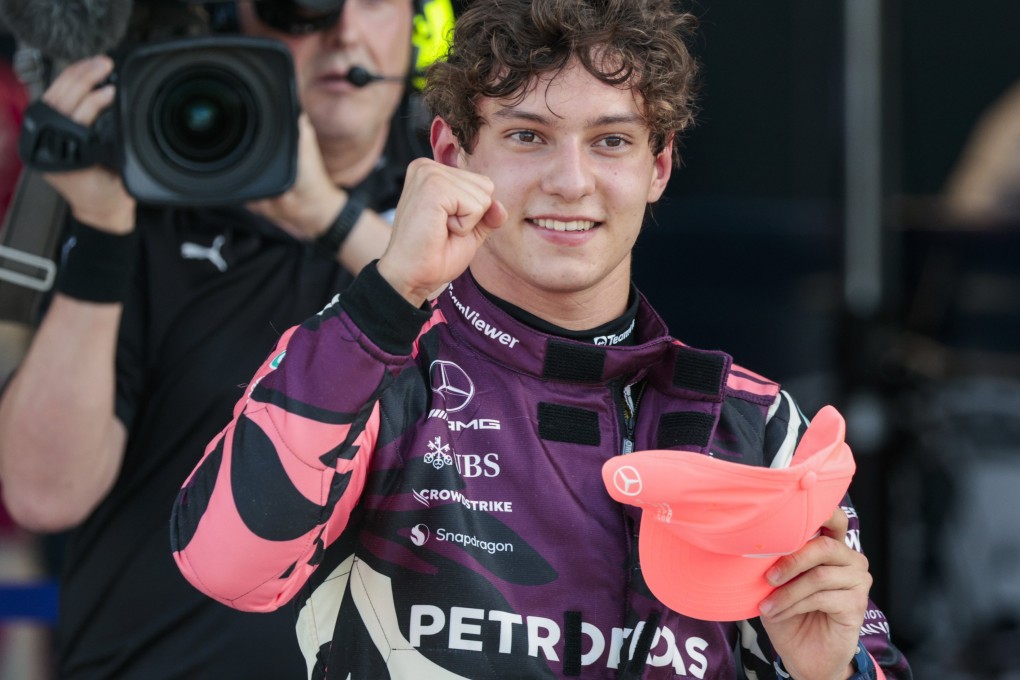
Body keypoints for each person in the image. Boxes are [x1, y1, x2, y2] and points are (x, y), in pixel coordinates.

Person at [171, 0, 913, 678]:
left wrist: (827, 672)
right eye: (528, 135)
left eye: (611, 141)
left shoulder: (755, 424)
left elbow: (859, 655)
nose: (570, 180)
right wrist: (389, 291)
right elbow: (226, 564)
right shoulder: (368, 372)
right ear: (454, 155)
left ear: (658, 165)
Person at [0, 0, 453, 677]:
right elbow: (42, 493)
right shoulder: (148, 201)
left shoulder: (458, 199)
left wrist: (323, 214)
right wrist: (99, 235)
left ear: (419, 26)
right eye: (302, 5)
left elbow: (493, 385)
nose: (343, 32)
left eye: (376, 2)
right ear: (235, 20)